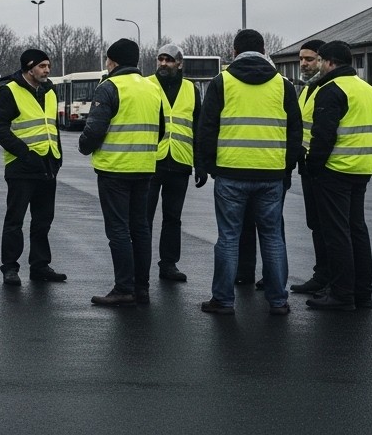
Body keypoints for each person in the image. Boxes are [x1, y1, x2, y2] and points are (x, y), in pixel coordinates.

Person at [195, 29, 302, 316]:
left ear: (234, 51)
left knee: (228, 237)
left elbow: (207, 128)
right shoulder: (283, 85)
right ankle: (278, 301)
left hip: (231, 173)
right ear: (264, 49)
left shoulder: (223, 82)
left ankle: (223, 300)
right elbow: (296, 132)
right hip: (271, 174)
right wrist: (287, 168)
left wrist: (207, 165)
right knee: (273, 237)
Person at [78, 38, 164, 307]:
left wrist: (84, 147)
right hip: (145, 168)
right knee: (141, 229)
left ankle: (123, 288)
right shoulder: (152, 88)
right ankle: (142, 288)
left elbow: (94, 128)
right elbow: (161, 128)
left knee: (118, 230)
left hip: (115, 169)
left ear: (112, 61)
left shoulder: (109, 87)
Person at [303, 40, 372, 311]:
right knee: (357, 230)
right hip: (362, 168)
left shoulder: (331, 90)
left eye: (321, 61)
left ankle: (341, 293)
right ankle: (363, 294)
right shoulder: (370, 91)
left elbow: (322, 136)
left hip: (335, 170)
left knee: (337, 234)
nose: (320, 66)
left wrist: (313, 167)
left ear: (329, 62)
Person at [0, 49, 65, 286]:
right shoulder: (8, 92)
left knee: (43, 220)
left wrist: (58, 155)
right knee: (15, 220)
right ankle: (10, 268)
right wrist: (25, 153)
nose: (47, 70)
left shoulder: (50, 90)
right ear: (29, 67)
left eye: (48, 66)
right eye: (42, 66)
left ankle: (40, 265)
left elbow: (51, 125)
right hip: (21, 167)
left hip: (47, 164)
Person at [147, 44, 204, 282]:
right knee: (143, 217)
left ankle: (168, 264)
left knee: (173, 217)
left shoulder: (192, 89)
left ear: (179, 63)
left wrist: (201, 164)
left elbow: (199, 128)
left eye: (168, 60)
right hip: (151, 161)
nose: (163, 64)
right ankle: (139, 265)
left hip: (180, 160)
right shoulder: (147, 84)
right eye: (160, 59)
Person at [290, 39, 332, 295]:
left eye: (309, 59)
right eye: (301, 59)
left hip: (323, 168)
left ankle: (329, 278)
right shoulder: (307, 90)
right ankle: (322, 274)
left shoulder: (326, 89)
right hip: (308, 167)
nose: (303, 64)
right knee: (315, 224)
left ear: (323, 60)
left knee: (328, 226)